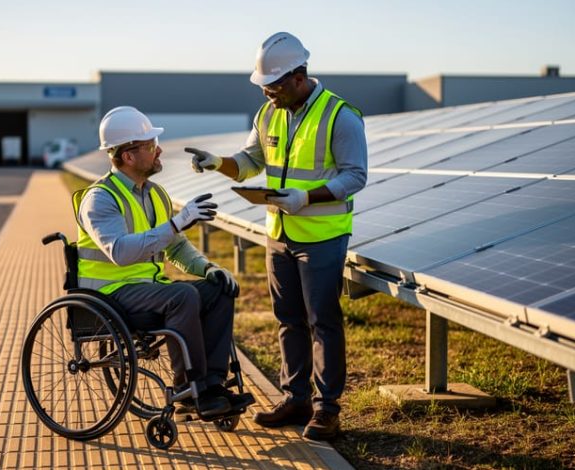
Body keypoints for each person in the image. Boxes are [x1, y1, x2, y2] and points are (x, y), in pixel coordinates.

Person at [185, 32, 368, 440]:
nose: (267, 93)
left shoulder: (341, 116)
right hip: (279, 233)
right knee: (288, 320)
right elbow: (250, 162)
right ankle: (296, 398)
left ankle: (327, 409)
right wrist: (218, 163)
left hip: (322, 236)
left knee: (323, 322)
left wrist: (306, 196)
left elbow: (356, 175)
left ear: (299, 76)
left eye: (274, 86)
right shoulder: (269, 113)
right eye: (264, 87)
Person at [74, 106, 252, 418]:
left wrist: (209, 268)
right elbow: (120, 253)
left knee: (218, 289)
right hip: (109, 293)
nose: (159, 150)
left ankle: (212, 384)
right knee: (183, 295)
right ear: (128, 156)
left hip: (146, 288)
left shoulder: (155, 193)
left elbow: (176, 246)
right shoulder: (99, 199)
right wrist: (175, 224)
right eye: (150, 145)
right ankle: (190, 388)